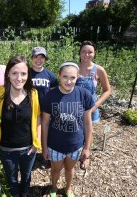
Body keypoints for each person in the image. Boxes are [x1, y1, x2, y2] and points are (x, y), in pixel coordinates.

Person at [0, 55, 41, 197]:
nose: (19, 78)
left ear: (28, 75)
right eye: (14, 73)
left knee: (26, 177)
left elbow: (38, 118)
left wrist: (37, 143)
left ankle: (24, 193)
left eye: (23, 73)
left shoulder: (33, 94)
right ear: (8, 74)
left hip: (28, 149)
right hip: (6, 150)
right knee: (11, 179)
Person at [41, 61, 94, 197]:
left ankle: (68, 188)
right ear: (59, 75)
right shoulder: (50, 96)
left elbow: (88, 123)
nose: (68, 81)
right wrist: (44, 147)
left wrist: (87, 148)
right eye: (65, 77)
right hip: (55, 145)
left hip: (75, 144)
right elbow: (45, 123)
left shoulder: (84, 95)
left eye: (72, 78)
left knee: (70, 169)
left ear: (78, 77)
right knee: (55, 169)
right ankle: (53, 188)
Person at [76, 41, 111, 170]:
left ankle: (86, 156)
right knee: (76, 130)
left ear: (94, 53)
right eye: (84, 51)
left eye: (90, 52)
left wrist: (95, 106)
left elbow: (107, 90)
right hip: (75, 107)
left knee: (88, 132)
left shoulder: (99, 70)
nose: (86, 54)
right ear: (80, 53)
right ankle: (74, 153)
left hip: (90, 108)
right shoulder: (74, 67)